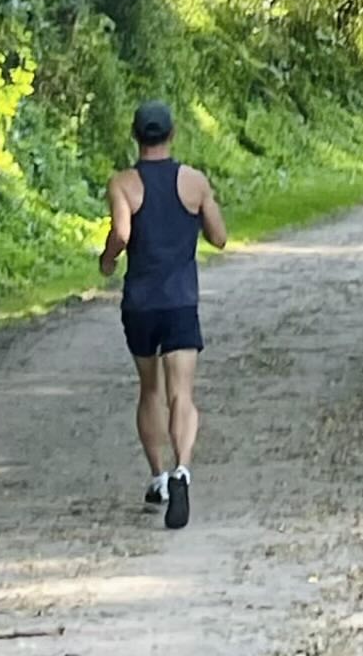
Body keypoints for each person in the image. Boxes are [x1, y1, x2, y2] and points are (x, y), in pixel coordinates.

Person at [99, 100, 227, 528]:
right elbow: (220, 237)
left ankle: (158, 478)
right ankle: (183, 468)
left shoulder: (123, 184)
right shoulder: (194, 182)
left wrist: (108, 258)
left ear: (136, 137)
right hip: (180, 302)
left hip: (140, 302)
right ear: (172, 135)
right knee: (182, 395)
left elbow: (121, 233)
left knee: (149, 390)